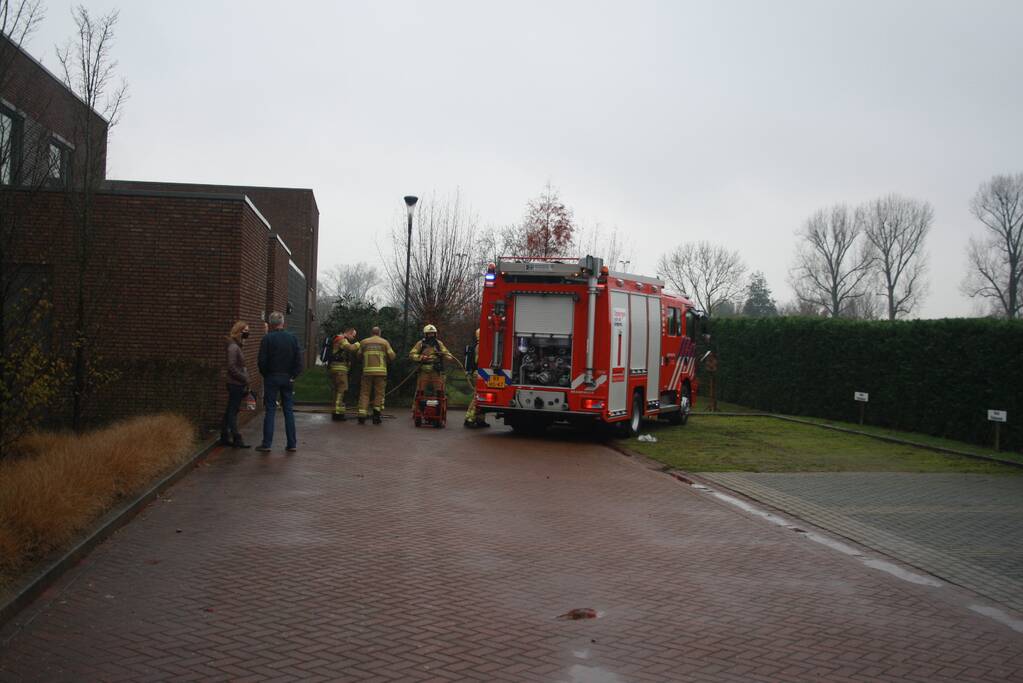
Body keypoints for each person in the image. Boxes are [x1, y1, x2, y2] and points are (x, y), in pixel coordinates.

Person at [256, 311, 303, 452]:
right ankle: (292, 443)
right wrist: (293, 375)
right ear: (282, 322)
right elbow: (298, 360)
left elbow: (262, 361)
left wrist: (266, 374)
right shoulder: (292, 339)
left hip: (272, 377)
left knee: (270, 410)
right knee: (288, 410)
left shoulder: (267, 339)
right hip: (288, 378)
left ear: (271, 323)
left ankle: (267, 443)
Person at [220, 321, 252, 447]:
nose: (247, 333)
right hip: (235, 384)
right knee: (233, 411)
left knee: (230, 410)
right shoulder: (233, 347)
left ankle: (224, 436)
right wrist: (244, 378)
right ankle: (236, 438)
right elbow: (232, 367)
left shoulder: (236, 346)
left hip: (236, 383)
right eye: (246, 331)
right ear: (239, 331)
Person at [356, 326, 396, 425]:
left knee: (365, 393)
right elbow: (392, 356)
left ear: (371, 333)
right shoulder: (384, 342)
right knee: (379, 394)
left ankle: (362, 415)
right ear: (379, 333)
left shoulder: (364, 342)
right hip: (381, 372)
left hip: (367, 372)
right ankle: (376, 417)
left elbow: (358, 356)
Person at [409, 324, 454, 397]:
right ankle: (417, 407)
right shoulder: (420, 344)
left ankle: (439, 407)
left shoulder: (439, 343)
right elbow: (411, 354)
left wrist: (448, 356)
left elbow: (446, 353)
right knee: (420, 391)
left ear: (435, 334)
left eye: (433, 333)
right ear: (426, 334)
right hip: (424, 370)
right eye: (429, 333)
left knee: (440, 391)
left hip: (436, 370)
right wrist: (421, 357)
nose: (431, 335)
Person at [329, 327, 359, 421]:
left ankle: (336, 412)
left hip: (337, 369)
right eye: (353, 336)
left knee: (337, 391)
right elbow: (351, 348)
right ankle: (338, 414)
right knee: (342, 390)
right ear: (349, 333)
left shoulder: (339, 338)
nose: (354, 338)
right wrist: (360, 343)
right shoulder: (341, 339)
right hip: (340, 370)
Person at [463, 328, 489, 429]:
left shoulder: (478, 345)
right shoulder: (480, 346)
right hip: (479, 373)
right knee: (477, 397)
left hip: (480, 373)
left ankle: (480, 420)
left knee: (483, 397)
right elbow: (479, 360)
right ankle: (469, 418)